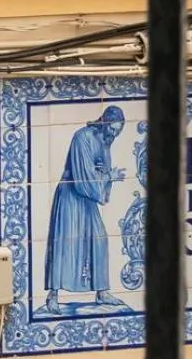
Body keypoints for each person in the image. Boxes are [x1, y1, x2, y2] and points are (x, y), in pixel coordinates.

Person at [42, 104, 128, 314]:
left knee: (99, 238)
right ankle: (53, 296)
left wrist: (106, 175)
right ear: (104, 123)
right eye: (111, 129)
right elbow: (84, 177)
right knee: (66, 242)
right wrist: (108, 176)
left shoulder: (105, 141)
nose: (113, 133)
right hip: (71, 196)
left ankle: (102, 292)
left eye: (117, 130)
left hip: (87, 199)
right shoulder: (83, 137)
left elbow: (100, 170)